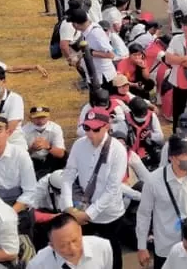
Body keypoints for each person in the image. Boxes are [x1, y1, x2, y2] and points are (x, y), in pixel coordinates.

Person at [60, 107, 127, 268]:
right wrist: (68, 206)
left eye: (96, 129)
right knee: (82, 252)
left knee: (112, 254)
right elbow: (68, 174)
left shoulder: (118, 151)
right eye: (86, 128)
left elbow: (112, 188)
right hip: (81, 210)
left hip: (108, 213)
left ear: (106, 126)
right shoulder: (78, 145)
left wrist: (89, 214)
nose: (90, 133)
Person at [136, 134, 187, 269]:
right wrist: (142, 247)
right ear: (172, 157)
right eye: (185, 154)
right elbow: (144, 214)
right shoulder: (154, 181)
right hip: (165, 247)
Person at [28, 213, 113, 268]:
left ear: (80, 231)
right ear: (52, 246)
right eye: (63, 245)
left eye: (75, 240)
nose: (73, 249)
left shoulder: (102, 247)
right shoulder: (38, 264)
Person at [22, 106, 67, 178]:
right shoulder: (24, 130)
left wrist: (48, 147)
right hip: (33, 160)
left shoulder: (55, 128)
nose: (40, 121)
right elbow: (20, 155)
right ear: (30, 118)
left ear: (49, 117)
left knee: (62, 156)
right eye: (36, 118)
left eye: (43, 117)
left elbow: (61, 154)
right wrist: (32, 149)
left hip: (50, 159)